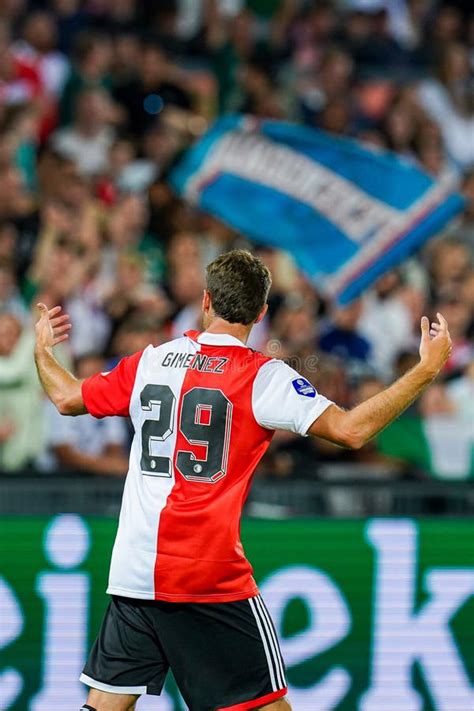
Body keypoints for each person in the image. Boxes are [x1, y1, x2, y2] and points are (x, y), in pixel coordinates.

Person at [34, 250, 452, 711]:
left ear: (206, 300)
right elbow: (351, 430)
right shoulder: (262, 377)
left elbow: (66, 396)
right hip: (205, 578)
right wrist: (426, 370)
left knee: (105, 705)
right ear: (261, 313)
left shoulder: (151, 361)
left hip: (134, 570)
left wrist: (41, 349)